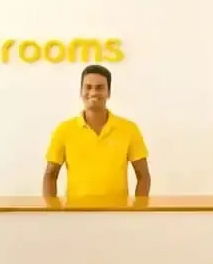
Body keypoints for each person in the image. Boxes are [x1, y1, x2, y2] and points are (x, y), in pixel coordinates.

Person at [42, 65, 151, 199]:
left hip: (118, 210)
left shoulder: (129, 129)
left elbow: (143, 176)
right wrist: (51, 209)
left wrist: (138, 208)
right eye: (88, 87)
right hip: (75, 210)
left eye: (100, 87)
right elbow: (51, 175)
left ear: (108, 92)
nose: (93, 92)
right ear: (81, 92)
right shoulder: (64, 130)